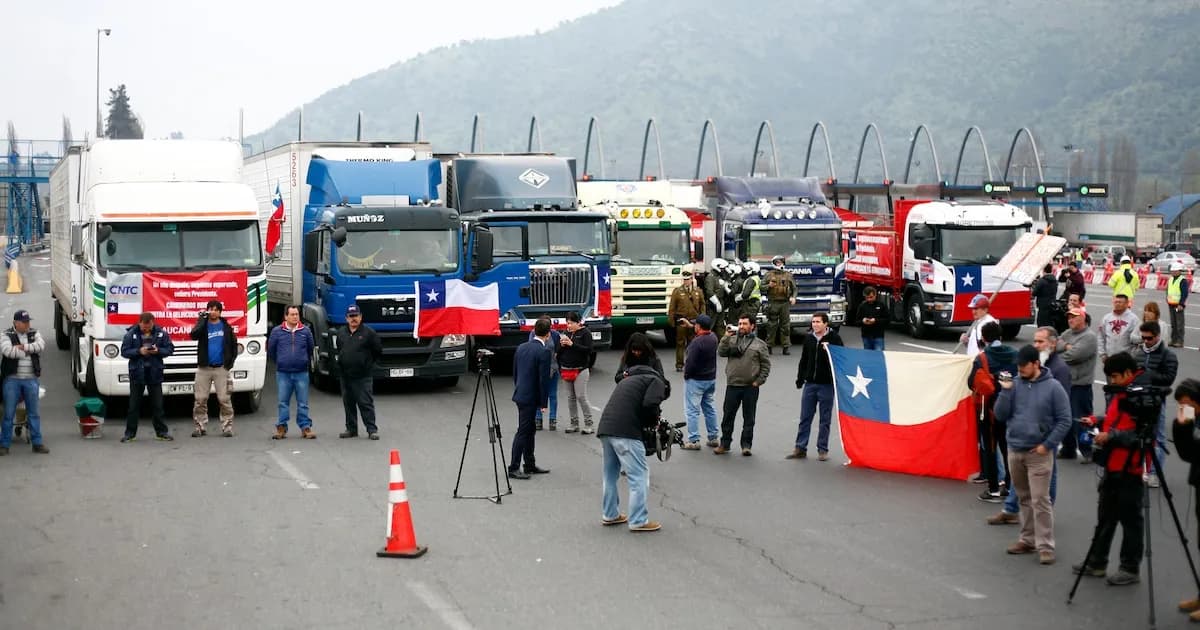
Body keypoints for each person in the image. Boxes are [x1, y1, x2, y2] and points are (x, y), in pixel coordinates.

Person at [1072, 352, 1148, 586]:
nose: (1112, 381)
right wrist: (1097, 420)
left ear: (1128, 373)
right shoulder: (1122, 392)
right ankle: (1097, 561)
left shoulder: (1142, 396)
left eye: (1115, 376)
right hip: (1112, 465)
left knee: (1131, 522)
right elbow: (1116, 419)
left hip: (1130, 469)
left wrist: (1111, 436)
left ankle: (1130, 568)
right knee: (1105, 517)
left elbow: (1142, 435)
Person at [996, 344, 1072, 565]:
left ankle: (1045, 546)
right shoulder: (1014, 385)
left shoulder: (1054, 387)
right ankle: (1027, 540)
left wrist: (1047, 445)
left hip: (1038, 453)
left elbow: (1065, 419)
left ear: (1036, 364)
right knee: (1024, 498)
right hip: (1015, 449)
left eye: (1024, 366)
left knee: (1040, 500)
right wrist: (1005, 391)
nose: (1020, 370)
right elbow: (1000, 415)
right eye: (1018, 366)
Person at [596, 342, 669, 532]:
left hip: (606, 427)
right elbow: (650, 404)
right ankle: (638, 520)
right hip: (626, 431)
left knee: (610, 475)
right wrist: (653, 423)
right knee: (639, 475)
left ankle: (610, 514)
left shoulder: (628, 379)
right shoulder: (657, 381)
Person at [969, 322, 1017, 502]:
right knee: (1008, 447)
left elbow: (971, 382)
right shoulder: (1015, 354)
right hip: (1011, 407)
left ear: (983, 338)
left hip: (988, 408)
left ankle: (993, 488)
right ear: (1001, 336)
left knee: (990, 447)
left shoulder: (982, 358)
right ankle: (1010, 486)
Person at [789, 312, 845, 461]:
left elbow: (841, 358)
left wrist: (829, 351)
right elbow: (804, 360)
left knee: (825, 419)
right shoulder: (809, 338)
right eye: (813, 322)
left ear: (825, 324)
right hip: (810, 384)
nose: (815, 324)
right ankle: (800, 448)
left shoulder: (834, 338)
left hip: (826, 385)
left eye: (818, 322)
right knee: (805, 417)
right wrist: (800, 378)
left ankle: (822, 449)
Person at [715, 315, 770, 456]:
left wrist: (758, 381)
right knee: (728, 417)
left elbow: (765, 365)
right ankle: (724, 444)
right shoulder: (732, 340)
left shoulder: (760, 344)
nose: (741, 326)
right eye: (740, 323)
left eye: (745, 324)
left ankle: (746, 445)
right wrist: (726, 337)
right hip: (733, 385)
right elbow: (721, 352)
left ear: (752, 326)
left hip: (750, 387)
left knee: (749, 418)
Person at [1133, 320, 1178, 486]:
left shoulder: (1168, 355)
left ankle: (1154, 473)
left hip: (1157, 401)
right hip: (1138, 400)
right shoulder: (1138, 353)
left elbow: (1169, 378)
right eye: (1143, 338)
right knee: (1137, 436)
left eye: (1149, 338)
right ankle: (1137, 470)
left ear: (1158, 336)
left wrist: (1150, 375)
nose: (1146, 341)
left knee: (1158, 437)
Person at [120, 312, 175, 443]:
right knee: (133, 406)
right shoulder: (131, 334)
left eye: (148, 327)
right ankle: (130, 434)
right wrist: (138, 351)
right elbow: (124, 351)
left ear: (152, 323)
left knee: (158, 405)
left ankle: (161, 432)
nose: (146, 329)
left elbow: (170, 349)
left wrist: (158, 351)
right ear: (139, 323)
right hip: (137, 373)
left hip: (154, 372)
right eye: (144, 327)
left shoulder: (161, 333)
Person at [1171, 379, 1200, 621]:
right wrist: (1182, 427)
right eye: (1180, 404)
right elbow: (1187, 453)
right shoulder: (1193, 420)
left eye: (1187, 403)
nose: (1184, 408)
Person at [0, 310, 48, 455]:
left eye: (28, 321)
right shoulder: (6, 334)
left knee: (33, 413)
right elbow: (8, 351)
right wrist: (30, 350)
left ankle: (37, 443)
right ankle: (4, 445)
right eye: (24, 322)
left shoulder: (34, 333)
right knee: (8, 414)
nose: (27, 325)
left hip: (31, 379)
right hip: (12, 380)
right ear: (16, 323)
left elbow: (41, 346)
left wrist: (23, 347)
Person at [510, 318, 552, 479]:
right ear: (548, 334)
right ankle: (514, 466)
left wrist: (519, 387)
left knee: (530, 430)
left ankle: (529, 463)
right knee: (523, 431)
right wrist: (543, 402)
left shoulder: (521, 347)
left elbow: (515, 372)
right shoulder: (544, 352)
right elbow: (543, 379)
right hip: (531, 397)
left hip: (521, 393)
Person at [189, 300, 238, 438]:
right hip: (204, 368)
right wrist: (201, 320)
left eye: (216, 309)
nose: (213, 312)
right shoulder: (203, 325)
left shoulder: (226, 327)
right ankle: (200, 426)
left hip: (221, 368)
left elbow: (233, 346)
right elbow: (193, 335)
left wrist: (229, 364)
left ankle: (227, 427)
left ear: (220, 312)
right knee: (200, 399)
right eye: (211, 309)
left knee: (224, 399)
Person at [1057, 307, 1100, 463]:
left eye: (1074, 317)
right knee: (1064, 418)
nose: (1070, 320)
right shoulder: (1067, 333)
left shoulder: (1089, 337)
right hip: (1066, 383)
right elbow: (1055, 344)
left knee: (1082, 419)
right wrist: (1066, 346)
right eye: (1069, 317)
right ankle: (1068, 448)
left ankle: (1087, 450)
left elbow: (1074, 355)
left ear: (1083, 318)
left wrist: (1064, 349)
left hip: (1081, 385)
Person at [267, 304, 316, 439]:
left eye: (297, 314)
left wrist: (303, 361)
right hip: (283, 373)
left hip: (301, 372)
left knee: (303, 403)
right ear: (286, 316)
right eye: (292, 314)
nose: (295, 317)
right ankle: (281, 427)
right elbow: (271, 350)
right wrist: (281, 361)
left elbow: (310, 348)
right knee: (283, 402)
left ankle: (305, 427)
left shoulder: (306, 331)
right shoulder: (277, 331)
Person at [336, 304, 382, 440]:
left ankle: (372, 430)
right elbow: (339, 349)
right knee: (348, 403)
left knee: (365, 403)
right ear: (346, 318)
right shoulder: (341, 332)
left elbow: (377, 351)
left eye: (356, 316)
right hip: (346, 375)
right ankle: (351, 429)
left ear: (361, 317)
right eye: (351, 316)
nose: (353, 319)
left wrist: (366, 364)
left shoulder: (369, 333)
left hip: (363, 376)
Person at [681, 314, 719, 450]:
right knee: (709, 408)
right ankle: (713, 437)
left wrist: (686, 375)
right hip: (710, 379)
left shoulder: (696, 343)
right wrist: (691, 326)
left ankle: (694, 440)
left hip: (696, 380)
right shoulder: (713, 338)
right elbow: (704, 331)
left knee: (692, 410)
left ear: (699, 326)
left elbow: (690, 363)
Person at [557, 312, 594, 434]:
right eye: (567, 323)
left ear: (578, 322)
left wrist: (572, 344)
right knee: (570, 398)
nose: (569, 326)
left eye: (571, 323)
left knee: (581, 396)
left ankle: (589, 424)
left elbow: (588, 350)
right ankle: (574, 423)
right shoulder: (566, 333)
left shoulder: (585, 333)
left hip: (581, 369)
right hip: (566, 368)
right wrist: (561, 345)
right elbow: (558, 352)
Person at [668, 269, 704, 369]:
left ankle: (691, 362)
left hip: (693, 321)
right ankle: (679, 364)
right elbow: (672, 307)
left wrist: (702, 318)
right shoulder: (677, 291)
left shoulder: (697, 291)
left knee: (692, 343)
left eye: (687, 279)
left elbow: (702, 305)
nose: (686, 281)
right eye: (684, 279)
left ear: (691, 279)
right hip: (682, 321)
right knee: (680, 343)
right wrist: (671, 321)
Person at [761, 255, 796, 355]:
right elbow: (761, 287)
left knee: (785, 326)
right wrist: (769, 286)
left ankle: (786, 346)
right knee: (771, 325)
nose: (779, 264)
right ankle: (769, 346)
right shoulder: (768, 275)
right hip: (773, 302)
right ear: (774, 263)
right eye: (777, 262)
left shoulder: (788, 275)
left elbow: (794, 289)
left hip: (785, 303)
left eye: (781, 262)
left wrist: (793, 297)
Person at [531, 316, 561, 431]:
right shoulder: (533, 334)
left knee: (552, 395)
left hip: (552, 368)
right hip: (539, 369)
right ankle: (538, 419)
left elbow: (558, 350)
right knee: (538, 393)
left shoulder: (555, 334)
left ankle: (552, 419)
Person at [1098, 294, 1140, 364]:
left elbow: (1137, 341)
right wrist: (1102, 354)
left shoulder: (1134, 319)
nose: (1117, 304)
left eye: (1120, 302)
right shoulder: (1106, 318)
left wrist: (1132, 357)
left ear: (1126, 304)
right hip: (1109, 358)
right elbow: (1101, 337)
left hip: (1126, 359)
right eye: (1115, 302)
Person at [856, 286, 888, 350]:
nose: (869, 299)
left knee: (878, 353)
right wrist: (863, 321)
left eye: (871, 297)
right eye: (867, 298)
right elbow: (857, 321)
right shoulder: (862, 306)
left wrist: (875, 321)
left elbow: (887, 320)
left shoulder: (881, 305)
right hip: (866, 336)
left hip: (878, 336)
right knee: (868, 354)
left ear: (875, 295)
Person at [704, 258, 731, 334]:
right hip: (712, 305)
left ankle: (720, 340)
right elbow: (709, 292)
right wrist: (716, 303)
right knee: (711, 325)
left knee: (720, 325)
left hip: (721, 302)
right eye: (722, 268)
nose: (723, 270)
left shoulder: (719, 276)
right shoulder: (710, 277)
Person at [1166, 263, 1189, 347]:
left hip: (1178, 305)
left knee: (1179, 324)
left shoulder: (1182, 280)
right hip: (1171, 304)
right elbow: (1168, 290)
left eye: (1175, 271)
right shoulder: (1171, 279)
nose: (1173, 272)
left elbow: (1184, 293)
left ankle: (1180, 341)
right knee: (1173, 324)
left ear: (1179, 271)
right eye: (1172, 271)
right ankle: (1173, 340)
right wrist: (1167, 298)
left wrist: (1181, 304)